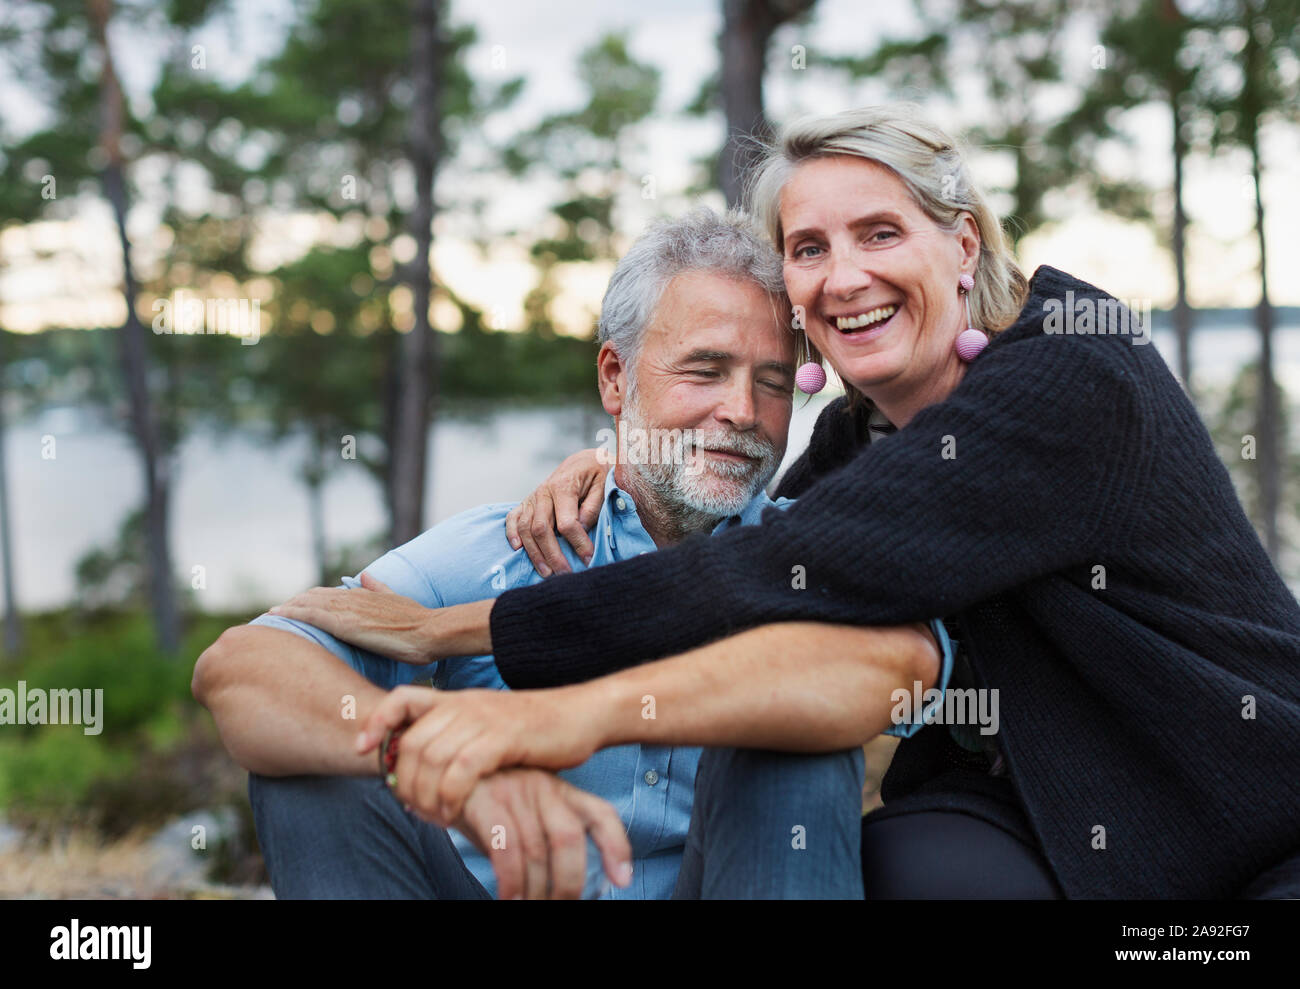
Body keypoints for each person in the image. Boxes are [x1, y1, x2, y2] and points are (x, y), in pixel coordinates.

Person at [290, 104, 1300, 900]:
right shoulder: (859, 439)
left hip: (1242, 813)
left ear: (960, 245)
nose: (842, 274)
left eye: (878, 232)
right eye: (808, 248)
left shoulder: (1072, 372)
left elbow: (780, 562)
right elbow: (745, 542)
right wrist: (613, 459)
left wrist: (465, 635)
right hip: (1048, 806)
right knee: (903, 865)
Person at [192, 205, 951, 900]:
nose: (742, 412)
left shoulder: (810, 554)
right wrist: (443, 767)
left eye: (774, 381)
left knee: (797, 734)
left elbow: (905, 674)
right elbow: (239, 668)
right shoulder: (512, 546)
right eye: (706, 369)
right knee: (314, 764)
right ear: (616, 378)